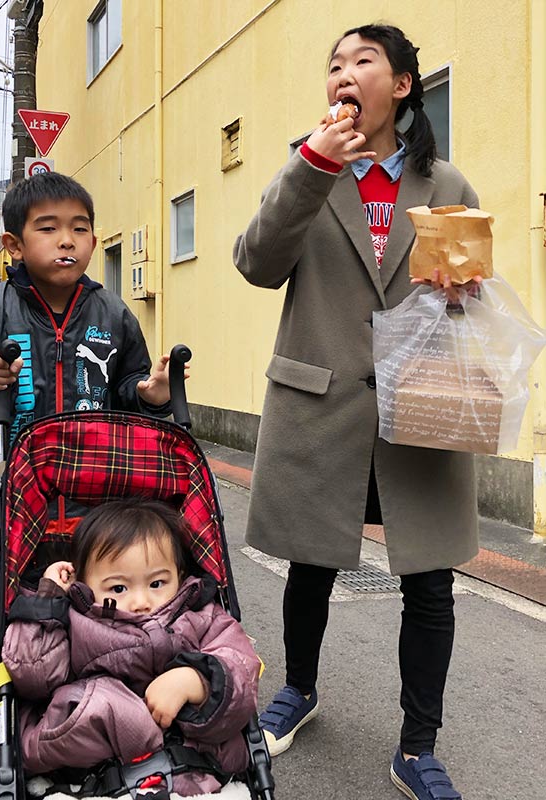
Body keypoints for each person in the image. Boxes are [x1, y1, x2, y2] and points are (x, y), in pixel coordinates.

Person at [233, 23, 479, 800]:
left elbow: (466, 301)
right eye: (333, 63)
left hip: (419, 412)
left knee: (430, 584)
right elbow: (256, 263)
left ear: (401, 85)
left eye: (361, 61)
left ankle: (417, 746)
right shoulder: (307, 170)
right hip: (321, 402)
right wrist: (312, 164)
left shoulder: (446, 185)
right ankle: (298, 689)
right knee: (310, 566)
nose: (343, 73)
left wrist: (462, 293)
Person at [0, 172, 176, 694]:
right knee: (10, 626)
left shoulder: (112, 312)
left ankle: (91, 707)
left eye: (81, 228)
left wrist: (149, 394)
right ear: (14, 245)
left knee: (98, 622)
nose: (68, 240)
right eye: (49, 228)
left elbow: (129, 387)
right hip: (16, 506)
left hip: (99, 508)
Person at [2, 498, 260, 796]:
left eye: (157, 583)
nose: (141, 602)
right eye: (119, 588)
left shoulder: (200, 615)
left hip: (195, 763)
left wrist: (198, 680)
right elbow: (34, 676)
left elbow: (241, 666)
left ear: (179, 574)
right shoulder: (74, 619)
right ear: (82, 584)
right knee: (99, 703)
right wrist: (48, 601)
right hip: (92, 770)